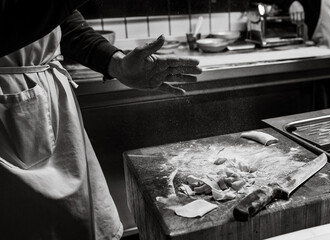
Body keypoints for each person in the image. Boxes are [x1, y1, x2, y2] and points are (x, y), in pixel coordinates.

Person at [0, 1, 202, 239]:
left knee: (76, 224)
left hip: (46, 106)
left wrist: (115, 63)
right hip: (9, 117)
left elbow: (61, 24)